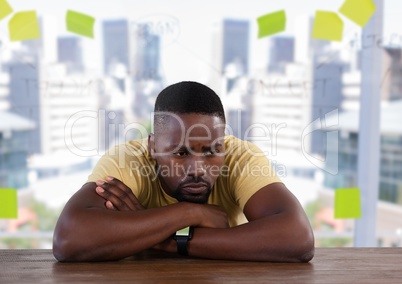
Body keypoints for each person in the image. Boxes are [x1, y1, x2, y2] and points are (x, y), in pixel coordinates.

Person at [53, 81, 314, 262]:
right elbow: (68, 239)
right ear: (153, 146)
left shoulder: (241, 157)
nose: (197, 169)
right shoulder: (128, 159)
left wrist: (165, 240)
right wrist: (190, 212)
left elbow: (298, 238)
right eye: (180, 153)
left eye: (212, 151)